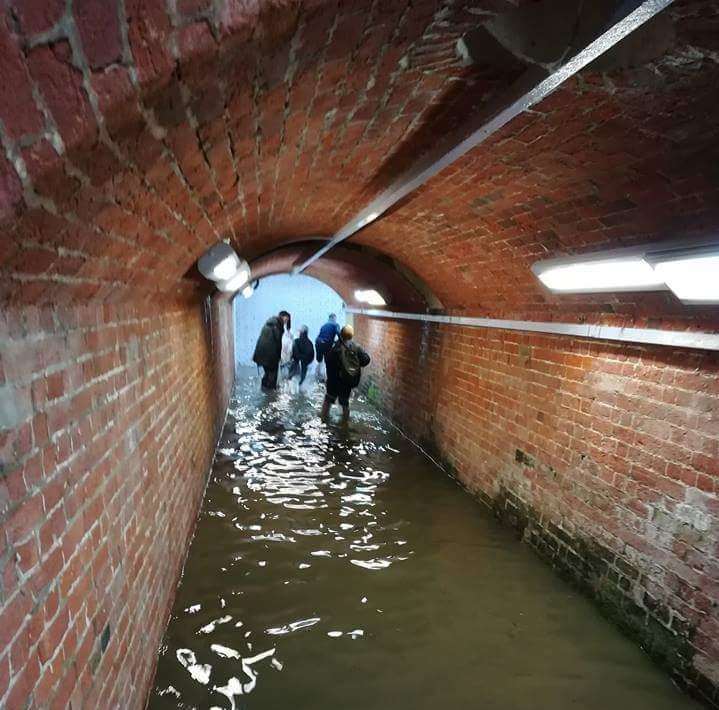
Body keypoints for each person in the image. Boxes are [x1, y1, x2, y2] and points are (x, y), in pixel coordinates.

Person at [321, 324, 370, 423]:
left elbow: (328, 363)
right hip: (347, 381)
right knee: (345, 403)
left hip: (333, 381)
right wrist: (354, 364)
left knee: (328, 400)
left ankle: (324, 420)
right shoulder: (356, 347)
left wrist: (328, 379)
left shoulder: (335, 347)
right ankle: (344, 425)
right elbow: (366, 360)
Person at [252, 311, 289, 390]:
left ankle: (264, 389)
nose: (286, 322)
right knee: (272, 375)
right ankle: (270, 395)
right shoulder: (277, 326)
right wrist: (279, 357)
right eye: (286, 319)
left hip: (260, 354)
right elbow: (278, 342)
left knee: (267, 372)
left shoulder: (269, 323)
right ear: (282, 316)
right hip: (270, 355)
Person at [315, 313, 340, 382]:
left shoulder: (324, 325)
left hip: (318, 343)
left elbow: (322, 335)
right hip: (326, 344)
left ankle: (318, 376)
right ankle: (326, 378)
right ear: (334, 318)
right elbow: (339, 334)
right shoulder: (335, 325)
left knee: (319, 360)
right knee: (328, 361)